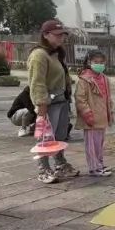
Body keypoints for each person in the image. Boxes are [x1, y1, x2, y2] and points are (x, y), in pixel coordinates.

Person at [28, 20, 76, 184]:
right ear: (46, 35)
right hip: (48, 103)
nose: (61, 37)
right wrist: (41, 105)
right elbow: (37, 82)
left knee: (60, 135)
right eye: (57, 35)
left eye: (62, 35)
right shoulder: (39, 55)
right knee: (45, 136)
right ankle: (43, 169)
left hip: (61, 100)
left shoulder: (56, 54)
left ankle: (60, 164)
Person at [75, 50, 114, 176]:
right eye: (96, 62)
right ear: (89, 62)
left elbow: (108, 98)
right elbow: (80, 98)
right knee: (91, 145)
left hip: (102, 117)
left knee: (99, 144)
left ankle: (100, 164)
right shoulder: (85, 79)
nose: (99, 64)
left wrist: (110, 112)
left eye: (101, 62)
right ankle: (94, 167)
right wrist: (87, 114)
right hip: (91, 118)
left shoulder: (104, 78)